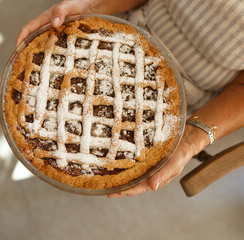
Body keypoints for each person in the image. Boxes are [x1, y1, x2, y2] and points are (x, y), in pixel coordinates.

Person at [16, 0, 244, 198]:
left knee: (88, 160)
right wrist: (90, 5)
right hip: (115, 37)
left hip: (165, 110)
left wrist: (191, 140)